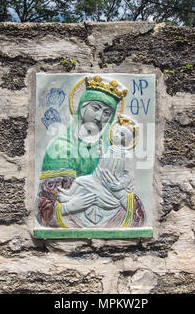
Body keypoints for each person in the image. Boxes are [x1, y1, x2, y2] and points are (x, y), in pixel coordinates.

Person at [35, 75, 145, 228]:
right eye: (95, 108)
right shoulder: (61, 147)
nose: (99, 117)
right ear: (82, 107)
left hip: (111, 215)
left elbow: (138, 215)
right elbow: (44, 207)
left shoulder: (111, 149)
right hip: (73, 219)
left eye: (107, 113)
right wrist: (68, 207)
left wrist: (120, 194)